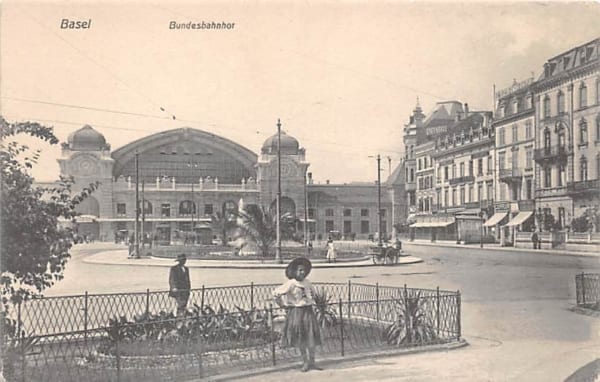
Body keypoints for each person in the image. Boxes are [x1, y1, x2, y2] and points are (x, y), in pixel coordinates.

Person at [273, 258, 322, 372]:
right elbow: (276, 293)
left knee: (311, 337)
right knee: (301, 338)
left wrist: (313, 302)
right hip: (297, 312)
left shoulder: (307, 282)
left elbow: (313, 294)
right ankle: (305, 362)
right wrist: (283, 305)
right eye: (300, 270)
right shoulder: (291, 283)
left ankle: (312, 362)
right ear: (295, 271)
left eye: (304, 270)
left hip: (308, 311)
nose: (302, 272)